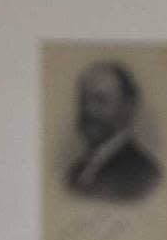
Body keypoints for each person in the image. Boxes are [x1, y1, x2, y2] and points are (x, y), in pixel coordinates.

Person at [65, 60, 161, 202]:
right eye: (84, 101)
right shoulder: (76, 171)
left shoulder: (143, 174)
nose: (89, 110)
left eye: (100, 100)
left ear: (127, 108)